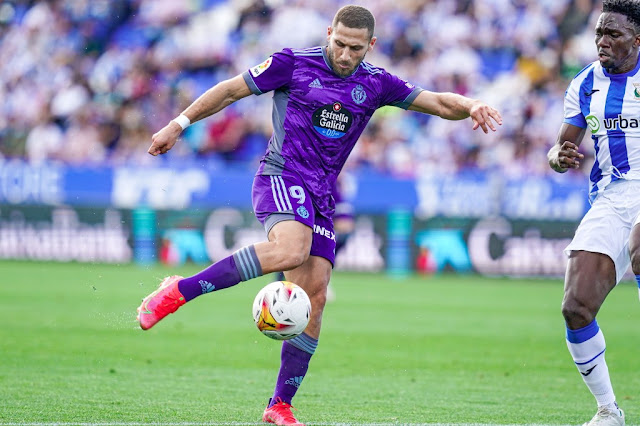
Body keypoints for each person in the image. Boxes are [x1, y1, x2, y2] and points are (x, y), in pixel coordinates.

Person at [137, 5, 502, 425]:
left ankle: (279, 406)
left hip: (322, 194)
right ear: (329, 33)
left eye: (356, 48)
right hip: (281, 172)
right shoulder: (292, 63)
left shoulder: (377, 82)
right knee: (291, 249)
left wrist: (471, 104)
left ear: (371, 46)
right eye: (340, 43)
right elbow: (230, 90)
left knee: (315, 296)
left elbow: (437, 102)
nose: (346, 55)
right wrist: (178, 124)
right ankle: (179, 290)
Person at [547, 1, 640, 425]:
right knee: (576, 307)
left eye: (614, 34)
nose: (603, 41)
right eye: (600, 33)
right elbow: (561, 146)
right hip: (611, 195)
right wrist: (558, 157)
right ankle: (608, 410)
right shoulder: (585, 82)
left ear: (637, 40)